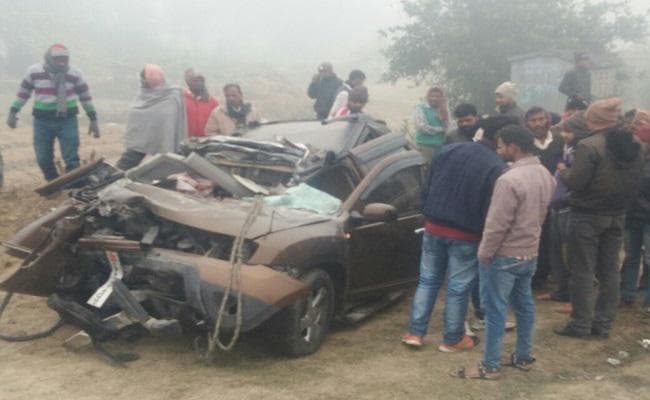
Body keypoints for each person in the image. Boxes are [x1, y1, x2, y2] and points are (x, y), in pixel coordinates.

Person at [453, 124, 555, 380]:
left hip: (504, 255)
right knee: (524, 305)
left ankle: (490, 366)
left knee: (494, 311)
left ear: (513, 147)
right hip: (529, 251)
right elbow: (542, 214)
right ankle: (523, 355)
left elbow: (497, 224)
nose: (498, 151)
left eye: (500, 146)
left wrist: (484, 253)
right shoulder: (545, 174)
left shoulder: (509, 179)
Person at [400, 116, 511, 352]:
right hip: (466, 234)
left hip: (434, 226)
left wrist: (427, 211)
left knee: (428, 281)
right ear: (502, 138)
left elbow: (427, 186)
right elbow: (491, 207)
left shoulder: (447, 150)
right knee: (458, 287)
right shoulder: (497, 167)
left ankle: (415, 333)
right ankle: (452, 339)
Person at [555, 98, 644, 338]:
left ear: (593, 120)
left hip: (587, 215)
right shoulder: (636, 144)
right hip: (617, 214)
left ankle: (580, 324)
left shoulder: (589, 145)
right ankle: (603, 323)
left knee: (583, 270)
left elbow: (577, 182)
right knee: (610, 270)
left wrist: (563, 172)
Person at [6, 44, 99, 181]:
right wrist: (13, 111)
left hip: (67, 120)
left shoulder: (75, 74)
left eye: (64, 58)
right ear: (49, 58)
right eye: (57, 58)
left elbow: (85, 97)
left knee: (71, 158)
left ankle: (76, 185)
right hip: (42, 121)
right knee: (43, 158)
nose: (61, 62)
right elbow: (23, 93)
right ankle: (53, 182)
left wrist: (93, 118)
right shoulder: (34, 72)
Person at [541, 112, 590, 307]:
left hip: (569, 207)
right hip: (556, 206)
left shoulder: (583, 151)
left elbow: (580, 181)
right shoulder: (565, 148)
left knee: (572, 255)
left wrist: (563, 170)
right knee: (555, 252)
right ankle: (561, 290)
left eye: (568, 131)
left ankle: (575, 297)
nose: (564, 135)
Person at [116, 64, 186, 170]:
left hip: (168, 138)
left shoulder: (174, 94)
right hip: (139, 144)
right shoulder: (141, 96)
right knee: (128, 161)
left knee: (169, 165)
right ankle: (114, 176)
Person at [524, 107, 564, 289]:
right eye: (533, 120)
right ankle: (535, 276)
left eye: (541, 119)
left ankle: (549, 274)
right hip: (533, 198)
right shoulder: (526, 144)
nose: (538, 123)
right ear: (527, 123)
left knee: (553, 239)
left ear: (548, 120)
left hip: (556, 198)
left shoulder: (559, 141)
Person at [620, 113, 650, 307]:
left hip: (647, 215)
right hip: (632, 214)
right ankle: (627, 295)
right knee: (631, 256)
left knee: (649, 258)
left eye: (641, 124)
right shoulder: (633, 154)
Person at [413, 86, 449, 162]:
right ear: (427, 97)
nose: (434, 98)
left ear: (442, 98)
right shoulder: (421, 108)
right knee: (426, 167)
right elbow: (422, 127)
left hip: (440, 146)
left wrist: (443, 108)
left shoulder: (443, 110)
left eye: (437, 96)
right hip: (425, 146)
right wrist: (440, 129)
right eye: (432, 96)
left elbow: (448, 126)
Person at [183, 68, 218, 137]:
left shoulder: (212, 101)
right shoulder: (182, 100)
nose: (199, 83)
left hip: (207, 140)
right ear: (188, 82)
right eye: (195, 81)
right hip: (185, 140)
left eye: (201, 80)